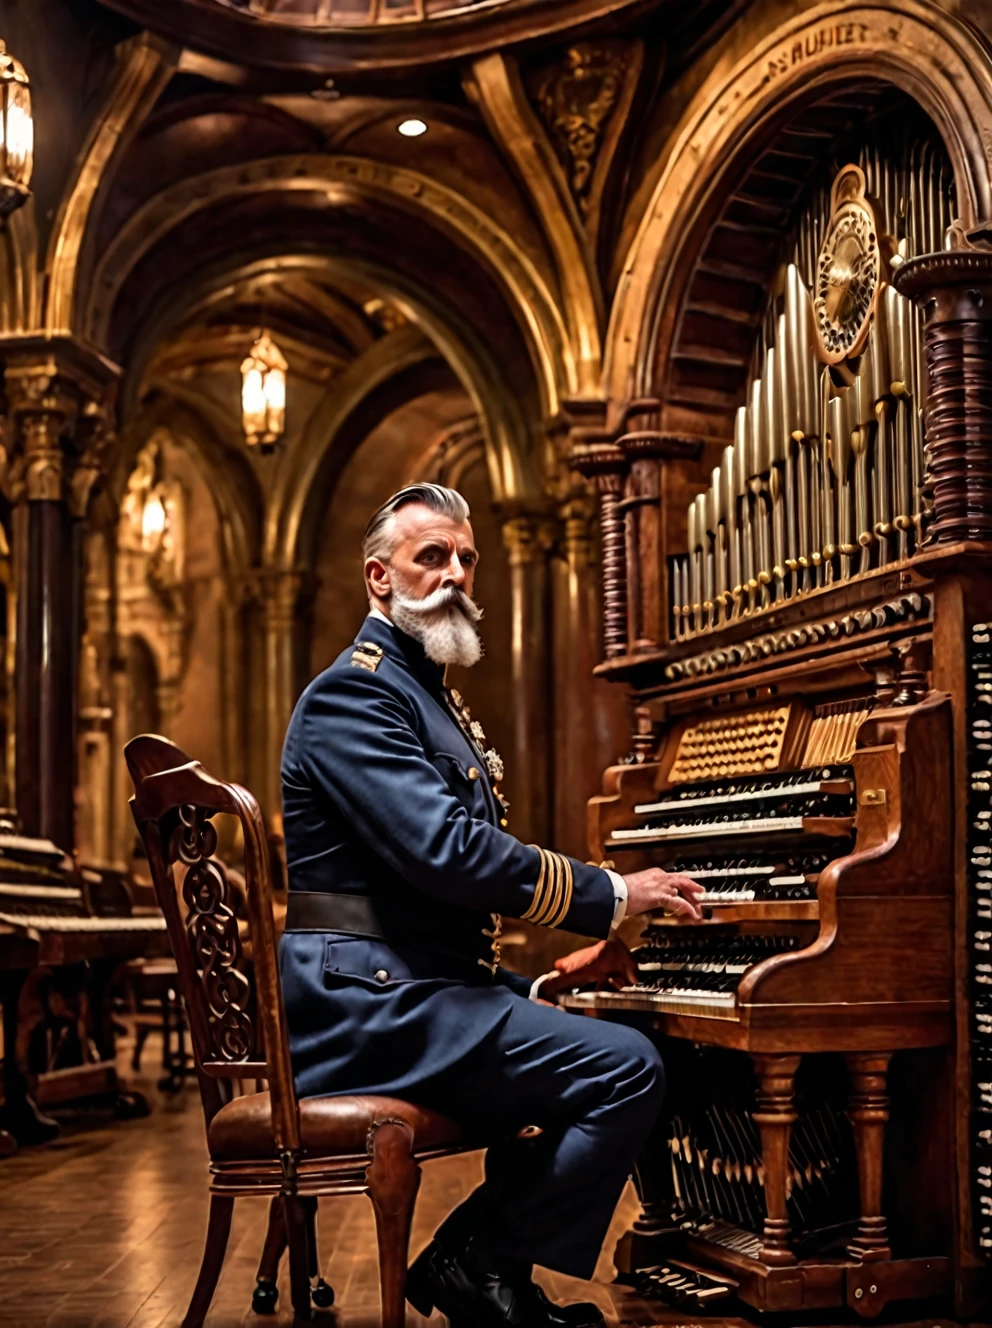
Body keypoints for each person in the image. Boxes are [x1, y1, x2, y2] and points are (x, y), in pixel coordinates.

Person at [280, 483, 703, 1328]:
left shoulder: (424, 694)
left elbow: (433, 911)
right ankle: (482, 1259)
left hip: (413, 988)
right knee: (624, 1066)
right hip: (363, 1005)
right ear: (379, 577)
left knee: (641, 1037)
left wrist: (541, 989)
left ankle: (486, 1272)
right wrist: (615, 894)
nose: (455, 575)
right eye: (431, 556)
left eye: (466, 559)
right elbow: (450, 856)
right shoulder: (355, 695)